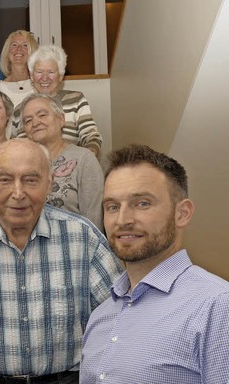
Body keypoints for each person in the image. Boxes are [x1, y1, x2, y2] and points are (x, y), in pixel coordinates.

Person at [0, 139, 122, 384]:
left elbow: (117, 324)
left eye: (31, 180)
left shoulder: (84, 239)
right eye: (5, 179)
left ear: (49, 183)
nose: (18, 193)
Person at [80, 144, 229, 384]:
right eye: (112, 207)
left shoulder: (217, 307)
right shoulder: (100, 316)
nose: (123, 220)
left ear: (182, 213)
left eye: (142, 204)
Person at [20, 93, 104, 230]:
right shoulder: (21, 166)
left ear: (61, 120)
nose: (35, 123)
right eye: (28, 120)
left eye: (42, 115)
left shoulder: (84, 159)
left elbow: (94, 222)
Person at [9, 45, 103, 158]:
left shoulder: (75, 99)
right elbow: (14, 145)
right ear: (32, 76)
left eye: (51, 72)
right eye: (39, 72)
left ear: (61, 76)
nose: (44, 78)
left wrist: (86, 157)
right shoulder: (21, 109)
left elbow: (91, 136)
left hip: (69, 166)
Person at [0, 30, 38, 108]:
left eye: (25, 45)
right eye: (14, 45)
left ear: (32, 52)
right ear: (7, 52)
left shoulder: (40, 85)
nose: (19, 48)